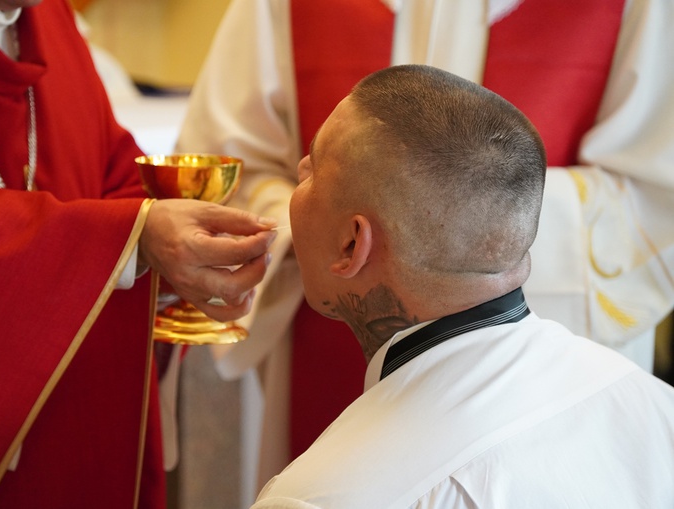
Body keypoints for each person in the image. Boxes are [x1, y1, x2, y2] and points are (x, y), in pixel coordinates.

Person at [175, 0, 674, 493]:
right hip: (323, 350)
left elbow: (655, 195)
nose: (305, 172)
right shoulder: (658, 410)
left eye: (314, 164)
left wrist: (445, 225)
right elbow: (234, 156)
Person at [0, 0, 277, 508]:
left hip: (77, 436)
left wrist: (179, 265)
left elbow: (114, 174)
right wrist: (131, 239)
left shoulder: (49, 20)